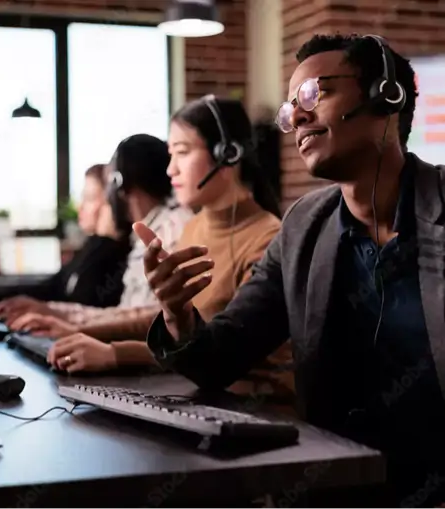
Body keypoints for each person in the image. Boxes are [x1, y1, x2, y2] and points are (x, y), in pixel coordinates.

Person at [136, 34, 445, 508]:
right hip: (334, 490)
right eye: (289, 108)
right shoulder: (304, 226)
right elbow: (221, 358)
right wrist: (178, 313)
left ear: (387, 96)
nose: (295, 117)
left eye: (312, 94)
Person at [15, 97, 295, 408]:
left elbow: (219, 350)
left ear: (227, 154)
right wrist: (81, 330)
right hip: (202, 394)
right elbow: (169, 322)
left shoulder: (267, 239)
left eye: (183, 153)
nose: (170, 168)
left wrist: (114, 354)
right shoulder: (196, 227)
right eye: (170, 154)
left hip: (256, 405)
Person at [2, 133, 193, 332]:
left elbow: (153, 321)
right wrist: (55, 313)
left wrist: (73, 328)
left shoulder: (170, 229)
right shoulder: (147, 230)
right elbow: (128, 314)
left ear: (120, 184)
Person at [0, 164, 131, 320]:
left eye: (89, 199)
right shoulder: (90, 247)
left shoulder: (119, 256)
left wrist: (105, 236)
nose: (80, 207)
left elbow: (88, 303)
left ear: (111, 203)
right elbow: (53, 286)